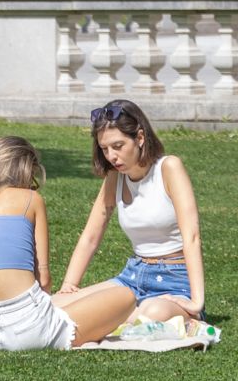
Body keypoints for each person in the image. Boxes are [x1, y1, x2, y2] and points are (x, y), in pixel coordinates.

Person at [0, 135, 136, 350]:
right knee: (126, 296)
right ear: (26, 168)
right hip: (32, 330)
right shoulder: (30, 199)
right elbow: (44, 280)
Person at [58, 100, 205, 324]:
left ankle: (179, 316)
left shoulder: (169, 168)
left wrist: (197, 302)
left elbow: (192, 237)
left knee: (149, 314)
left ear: (140, 137)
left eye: (118, 146)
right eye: (105, 149)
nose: (111, 156)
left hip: (175, 278)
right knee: (55, 306)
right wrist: (69, 286)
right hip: (133, 276)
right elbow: (90, 236)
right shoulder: (115, 177)